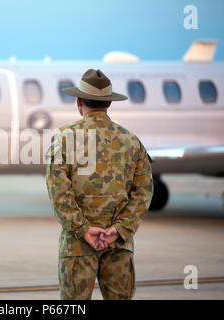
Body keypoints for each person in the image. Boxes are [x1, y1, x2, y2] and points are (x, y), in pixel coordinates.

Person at [45, 69, 153, 300]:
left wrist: (82, 229)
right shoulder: (131, 141)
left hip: (77, 246)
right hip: (118, 245)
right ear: (109, 104)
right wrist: (119, 230)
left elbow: (59, 192)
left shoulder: (64, 138)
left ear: (79, 101)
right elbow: (144, 192)